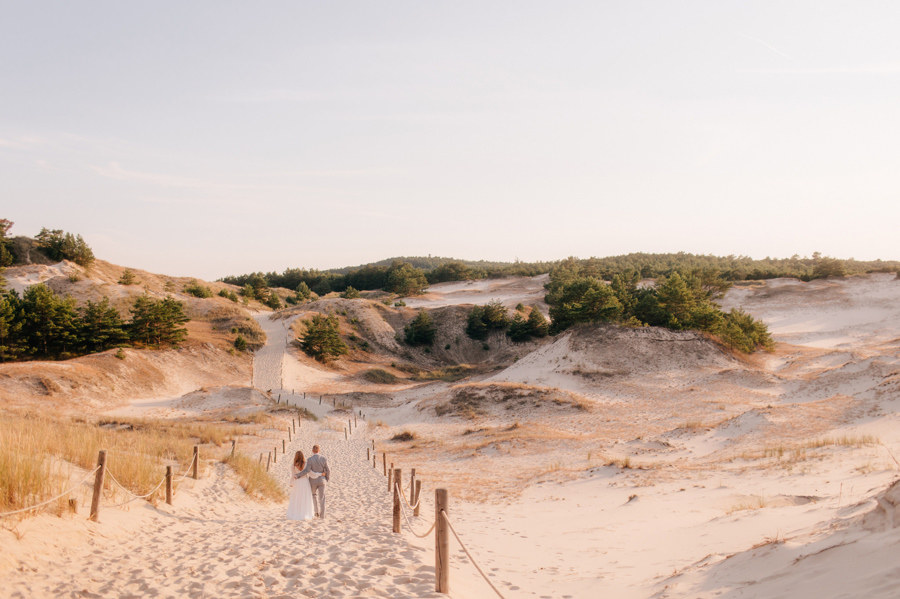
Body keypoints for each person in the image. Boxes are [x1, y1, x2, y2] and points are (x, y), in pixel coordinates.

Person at [295, 444, 330, 518]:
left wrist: (298, 475)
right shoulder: (324, 459)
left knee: (314, 496)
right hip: (322, 480)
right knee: (322, 498)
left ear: (312, 451)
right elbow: (328, 470)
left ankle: (316, 512)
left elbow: (307, 471)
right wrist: (326, 478)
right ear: (319, 450)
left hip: (313, 481)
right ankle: (322, 515)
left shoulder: (310, 459)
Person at [286, 451, 315, 521]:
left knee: (297, 498)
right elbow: (309, 472)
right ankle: (305, 513)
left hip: (297, 483)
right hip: (305, 482)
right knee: (305, 498)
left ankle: (297, 513)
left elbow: (293, 475)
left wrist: (291, 483)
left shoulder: (294, 465)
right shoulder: (306, 464)